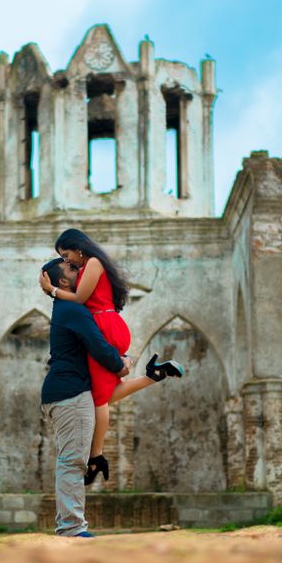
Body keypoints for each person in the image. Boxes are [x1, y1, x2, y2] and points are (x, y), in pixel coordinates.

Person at [39, 229, 183, 487]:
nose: (67, 260)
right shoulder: (87, 267)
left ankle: (97, 457)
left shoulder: (93, 263)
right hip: (105, 325)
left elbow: (80, 299)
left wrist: (51, 291)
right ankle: (154, 375)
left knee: (97, 398)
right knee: (103, 393)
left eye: (66, 254)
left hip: (104, 326)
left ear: (78, 248)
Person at [40, 257, 130, 537]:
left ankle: (70, 526)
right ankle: (72, 528)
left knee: (71, 459)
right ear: (64, 281)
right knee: (72, 461)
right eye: (72, 269)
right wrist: (120, 365)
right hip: (70, 393)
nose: (79, 269)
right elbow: (98, 345)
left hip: (62, 391)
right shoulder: (72, 309)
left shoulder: (66, 307)